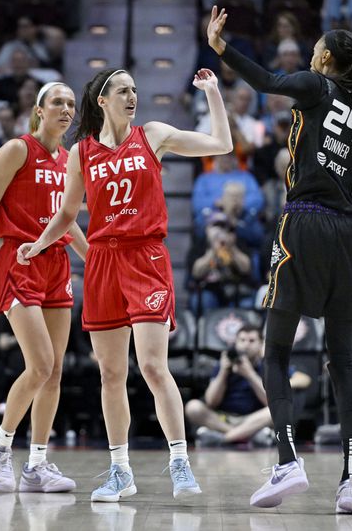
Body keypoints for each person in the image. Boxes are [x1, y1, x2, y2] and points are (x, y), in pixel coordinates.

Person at [207, 6, 352, 513]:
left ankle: (288, 461)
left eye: (315, 50)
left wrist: (222, 48)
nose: (310, 54)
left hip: (304, 222)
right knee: (343, 360)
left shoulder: (315, 85)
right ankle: (351, 482)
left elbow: (265, 80)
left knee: (277, 352)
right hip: (348, 235)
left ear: (326, 57)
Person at [17, 66, 232, 501]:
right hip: (101, 262)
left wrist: (212, 93)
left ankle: (180, 463)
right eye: (123, 90)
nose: (132, 96)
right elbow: (67, 213)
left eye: (135, 89)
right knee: (111, 373)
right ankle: (120, 470)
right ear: (103, 100)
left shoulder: (152, 134)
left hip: (146, 256)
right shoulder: (81, 152)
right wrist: (38, 244)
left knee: (153, 365)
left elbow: (221, 143)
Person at [0, 81, 88, 493]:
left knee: (55, 372)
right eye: (57, 102)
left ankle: (37, 465)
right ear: (39, 110)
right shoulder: (16, 150)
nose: (66, 109)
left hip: (56, 263)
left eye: (70, 103)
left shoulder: (70, 159)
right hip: (19, 259)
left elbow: (68, 222)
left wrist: (98, 263)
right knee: (41, 364)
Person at [185, 324, 310, 447]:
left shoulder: (267, 365)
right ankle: (244, 436)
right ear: (236, 343)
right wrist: (223, 372)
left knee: (277, 409)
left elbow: (304, 379)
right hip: (224, 419)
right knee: (193, 407)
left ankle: (224, 438)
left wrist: (250, 374)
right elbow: (211, 402)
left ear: (261, 344)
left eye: (251, 341)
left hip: (253, 418)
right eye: (242, 340)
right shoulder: (224, 364)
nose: (246, 344)